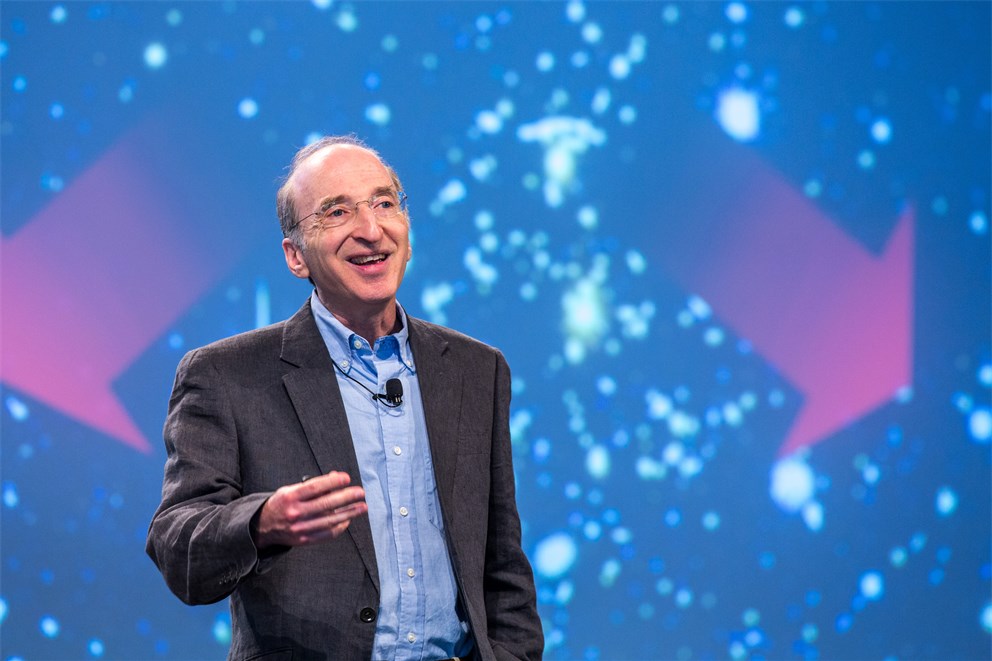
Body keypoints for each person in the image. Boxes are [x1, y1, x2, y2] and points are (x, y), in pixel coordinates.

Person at [146, 135, 544, 661]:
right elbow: (178, 547)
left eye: (384, 204)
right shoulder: (224, 375)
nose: (371, 229)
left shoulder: (476, 369)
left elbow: (502, 562)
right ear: (295, 256)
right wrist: (261, 522)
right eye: (337, 212)